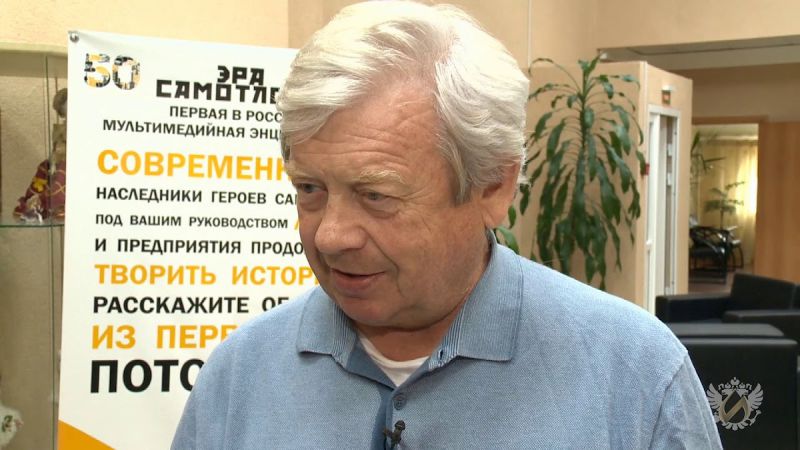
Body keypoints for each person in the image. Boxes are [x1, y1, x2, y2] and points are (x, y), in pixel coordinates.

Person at [172, 2, 722, 448]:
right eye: (310, 189)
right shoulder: (239, 376)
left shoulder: (634, 377)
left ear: (493, 187)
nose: (330, 235)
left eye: (376, 195)